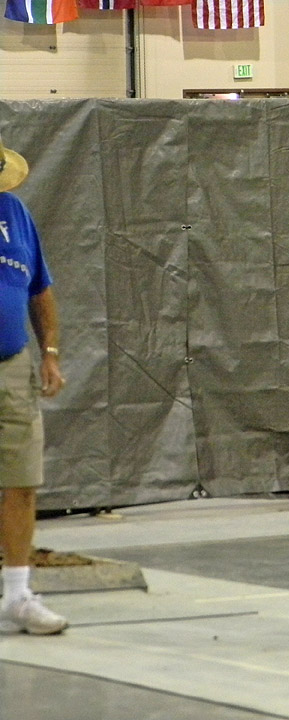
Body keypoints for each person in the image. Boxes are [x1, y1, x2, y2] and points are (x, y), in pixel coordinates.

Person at [0, 134, 69, 634]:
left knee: (21, 478)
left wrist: (49, 352)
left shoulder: (16, 214)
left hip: (11, 364)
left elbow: (40, 289)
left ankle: (18, 596)